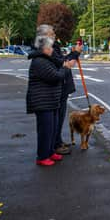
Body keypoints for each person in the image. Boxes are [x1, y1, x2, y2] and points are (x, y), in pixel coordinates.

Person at [26, 35, 75, 166]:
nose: (52, 49)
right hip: (42, 102)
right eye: (49, 47)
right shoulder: (39, 61)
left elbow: (59, 67)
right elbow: (56, 76)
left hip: (50, 100)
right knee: (45, 130)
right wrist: (66, 67)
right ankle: (42, 156)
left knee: (52, 129)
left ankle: (50, 151)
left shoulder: (47, 59)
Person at [35, 24, 82, 155]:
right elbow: (61, 63)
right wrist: (75, 53)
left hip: (61, 87)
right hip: (55, 89)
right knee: (55, 119)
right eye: (51, 34)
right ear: (44, 36)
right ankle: (55, 145)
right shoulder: (46, 50)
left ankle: (57, 141)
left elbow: (62, 61)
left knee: (58, 118)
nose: (54, 35)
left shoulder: (53, 47)